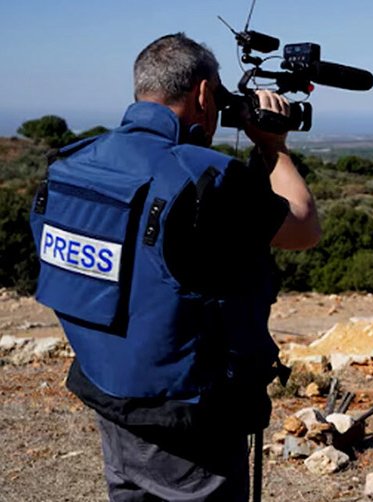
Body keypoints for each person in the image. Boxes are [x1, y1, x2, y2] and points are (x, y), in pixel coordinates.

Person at [29, 33, 320, 501]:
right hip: (186, 415)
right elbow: (303, 227)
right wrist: (273, 147)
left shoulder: (72, 164)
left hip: (107, 390)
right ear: (204, 94)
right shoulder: (206, 178)